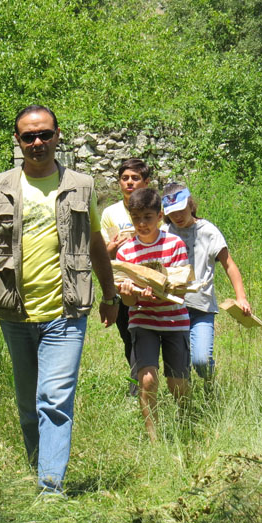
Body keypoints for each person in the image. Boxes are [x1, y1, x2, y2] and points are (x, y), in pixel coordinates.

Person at [0, 105, 120, 497]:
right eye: (28, 136)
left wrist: (110, 294)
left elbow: (96, 244)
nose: (37, 142)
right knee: (30, 405)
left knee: (54, 400)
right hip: (14, 311)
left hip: (66, 310)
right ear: (18, 141)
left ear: (57, 135)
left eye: (45, 134)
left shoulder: (81, 185)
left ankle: (50, 488)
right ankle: (38, 467)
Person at [115, 187, 191, 441]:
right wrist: (130, 293)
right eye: (136, 218)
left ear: (159, 216)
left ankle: (186, 425)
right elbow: (128, 301)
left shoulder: (174, 244)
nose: (142, 223)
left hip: (174, 320)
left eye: (147, 217)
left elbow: (182, 290)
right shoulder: (126, 252)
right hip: (143, 321)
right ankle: (154, 440)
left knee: (177, 384)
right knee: (147, 380)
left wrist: (160, 293)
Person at [161, 182, 252, 381]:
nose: (177, 216)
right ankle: (187, 397)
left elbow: (229, 265)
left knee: (201, 360)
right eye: (172, 213)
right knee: (179, 366)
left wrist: (241, 297)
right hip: (173, 309)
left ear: (190, 204)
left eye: (181, 210)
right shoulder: (165, 232)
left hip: (201, 308)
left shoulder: (208, 231)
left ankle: (210, 382)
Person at [100, 158, 153, 393]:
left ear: (146, 182)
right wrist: (113, 247)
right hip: (123, 284)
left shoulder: (155, 209)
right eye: (124, 178)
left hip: (150, 281)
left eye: (135, 178)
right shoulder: (110, 213)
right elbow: (103, 254)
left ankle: (142, 387)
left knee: (148, 335)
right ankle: (139, 385)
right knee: (128, 336)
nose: (129, 183)